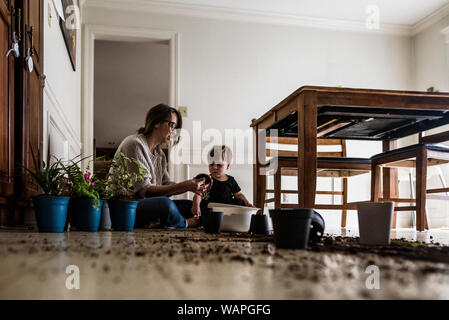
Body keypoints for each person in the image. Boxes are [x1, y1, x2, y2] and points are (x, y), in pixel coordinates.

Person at [110, 103, 207, 228]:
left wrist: (192, 186)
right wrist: (185, 186)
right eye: (171, 125)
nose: (173, 131)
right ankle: (185, 223)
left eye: (175, 127)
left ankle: (156, 223)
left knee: (192, 206)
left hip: (143, 204)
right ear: (156, 122)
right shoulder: (134, 144)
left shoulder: (159, 154)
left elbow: (166, 184)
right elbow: (145, 190)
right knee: (165, 205)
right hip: (125, 206)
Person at [191, 145, 254, 217]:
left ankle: (230, 218)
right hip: (210, 208)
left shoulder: (231, 180)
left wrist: (248, 204)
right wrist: (196, 204)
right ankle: (199, 220)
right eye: (211, 164)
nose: (214, 167)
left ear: (227, 166)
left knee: (240, 201)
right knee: (201, 202)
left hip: (226, 209)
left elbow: (238, 194)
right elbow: (199, 194)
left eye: (219, 165)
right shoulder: (206, 179)